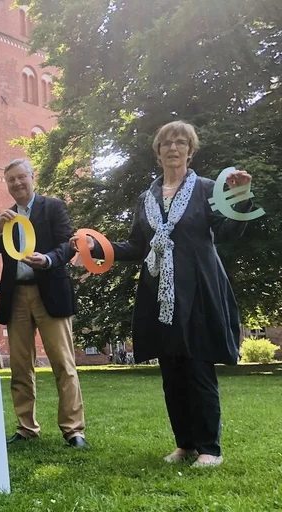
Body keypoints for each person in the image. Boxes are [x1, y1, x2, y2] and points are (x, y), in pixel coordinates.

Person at [72, 120, 254, 467]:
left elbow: (229, 233)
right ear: (158, 153)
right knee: (172, 371)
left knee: (198, 369)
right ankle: (184, 444)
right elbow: (137, 246)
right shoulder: (147, 198)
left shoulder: (204, 189)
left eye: (181, 142)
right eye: (167, 143)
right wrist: (96, 246)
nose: (174, 148)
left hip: (199, 289)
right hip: (161, 295)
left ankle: (209, 449)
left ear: (190, 150)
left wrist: (241, 200)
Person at [0, 158, 88, 448]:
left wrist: (48, 259)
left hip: (49, 291)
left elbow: (69, 244)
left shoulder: (52, 207)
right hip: (16, 295)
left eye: (20, 177)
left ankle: (73, 430)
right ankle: (26, 427)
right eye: (10, 180)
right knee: (19, 365)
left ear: (32, 177)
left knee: (63, 363)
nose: (16, 183)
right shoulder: (4, 217)